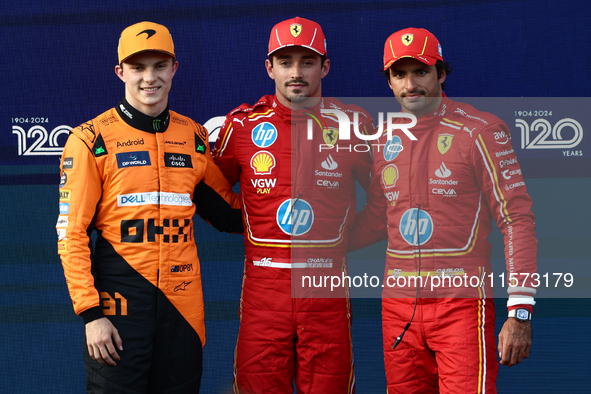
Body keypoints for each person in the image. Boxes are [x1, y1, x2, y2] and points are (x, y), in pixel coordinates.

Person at [56, 21, 242, 393]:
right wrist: (91, 315)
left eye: (159, 66)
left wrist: (279, 178)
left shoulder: (193, 137)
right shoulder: (91, 139)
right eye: (138, 67)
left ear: (174, 69)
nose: (149, 78)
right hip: (118, 313)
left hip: (184, 312)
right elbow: (71, 233)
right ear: (120, 71)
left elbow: (231, 214)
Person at [350, 27, 538, 393]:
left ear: (441, 74)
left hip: (461, 308)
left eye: (420, 71)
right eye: (399, 74)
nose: (410, 84)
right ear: (388, 81)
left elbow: (516, 219)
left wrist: (520, 310)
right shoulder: (384, 137)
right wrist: (320, 245)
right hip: (397, 310)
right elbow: (377, 219)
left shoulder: (481, 130)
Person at [213, 17, 374, 393]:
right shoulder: (242, 127)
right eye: (286, 62)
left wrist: (340, 242)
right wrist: (256, 225)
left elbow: (390, 199)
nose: (296, 73)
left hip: (326, 290)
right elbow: (212, 194)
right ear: (269, 67)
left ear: (325, 66)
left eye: (307, 62)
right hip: (263, 292)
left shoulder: (353, 125)